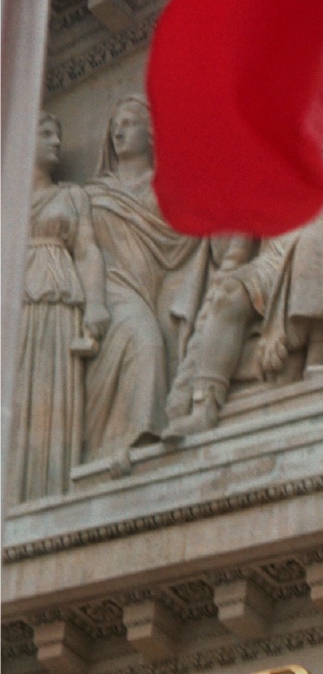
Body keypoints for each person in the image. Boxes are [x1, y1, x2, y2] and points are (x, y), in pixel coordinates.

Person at [166, 122, 323, 436]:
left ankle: (319, 358)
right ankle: (205, 405)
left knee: (317, 241)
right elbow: (235, 251)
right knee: (229, 294)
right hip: (273, 257)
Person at [84, 96, 210, 458]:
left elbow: (194, 230)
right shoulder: (91, 196)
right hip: (109, 289)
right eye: (114, 126)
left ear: (153, 133)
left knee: (173, 326)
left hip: (155, 283)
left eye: (128, 123)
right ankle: (137, 437)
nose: (118, 131)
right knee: (146, 340)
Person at [8, 114, 109, 501]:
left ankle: (48, 493)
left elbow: (87, 249)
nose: (56, 142)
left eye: (58, 135)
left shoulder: (72, 196)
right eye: (45, 133)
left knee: (50, 395)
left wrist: (96, 304)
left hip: (58, 298)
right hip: (13, 301)